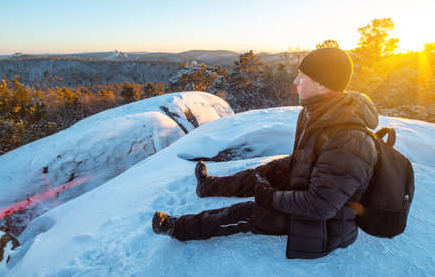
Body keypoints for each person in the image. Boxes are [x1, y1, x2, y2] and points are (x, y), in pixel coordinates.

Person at [152, 47, 378, 259]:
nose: (295, 82)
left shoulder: (349, 140)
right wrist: (273, 172)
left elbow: (319, 206)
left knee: (247, 212)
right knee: (262, 173)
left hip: (326, 226)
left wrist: (270, 197)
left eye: (302, 77)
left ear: (322, 84)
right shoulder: (315, 113)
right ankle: (208, 186)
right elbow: (310, 160)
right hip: (312, 190)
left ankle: (178, 227)